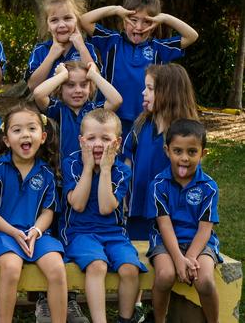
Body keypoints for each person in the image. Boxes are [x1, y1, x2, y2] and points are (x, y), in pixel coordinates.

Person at [0, 104, 67, 323]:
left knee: (57, 268)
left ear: (42, 137)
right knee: (11, 268)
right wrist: (13, 232)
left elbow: (48, 211)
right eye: (17, 130)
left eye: (31, 128)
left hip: (36, 235)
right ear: (6, 140)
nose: (25, 134)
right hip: (3, 234)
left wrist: (36, 231)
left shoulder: (46, 172)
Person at [61, 109, 147, 323]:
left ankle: (126, 319)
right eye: (91, 138)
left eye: (105, 139)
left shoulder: (121, 171)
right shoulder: (72, 164)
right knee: (97, 265)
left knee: (130, 268)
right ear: (81, 141)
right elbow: (78, 204)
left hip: (114, 233)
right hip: (80, 233)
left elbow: (106, 208)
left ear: (117, 143)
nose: (98, 144)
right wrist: (88, 168)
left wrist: (106, 170)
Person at [80, 0, 198, 137]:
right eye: (133, 20)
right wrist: (116, 10)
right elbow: (84, 20)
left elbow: (192, 36)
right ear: (124, 20)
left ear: (154, 25)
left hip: (145, 119)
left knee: (137, 158)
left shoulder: (159, 48)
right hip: (109, 116)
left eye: (147, 21)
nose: (139, 27)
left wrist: (165, 18)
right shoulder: (112, 41)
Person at [145, 119, 220, 323]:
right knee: (165, 276)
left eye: (192, 152)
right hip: (165, 242)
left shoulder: (209, 187)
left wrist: (192, 258)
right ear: (167, 150)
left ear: (203, 153)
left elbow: (205, 229)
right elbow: (164, 225)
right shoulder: (158, 185)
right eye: (178, 151)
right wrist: (179, 259)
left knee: (204, 281)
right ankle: (159, 320)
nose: (184, 158)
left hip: (200, 243)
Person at [122, 63, 199, 241]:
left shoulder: (186, 134)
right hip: (137, 213)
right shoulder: (140, 125)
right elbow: (127, 162)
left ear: (168, 94)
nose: (143, 92)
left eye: (149, 88)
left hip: (173, 218)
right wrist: (123, 196)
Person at [33, 61, 122, 161]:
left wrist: (94, 75)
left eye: (84, 85)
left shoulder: (94, 110)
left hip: (91, 172)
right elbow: (38, 94)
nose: (78, 90)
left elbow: (116, 101)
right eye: (70, 85)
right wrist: (62, 75)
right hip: (60, 173)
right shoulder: (56, 109)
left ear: (90, 88)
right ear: (60, 88)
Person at [25, 0, 100, 92]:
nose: (61, 25)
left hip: (83, 108)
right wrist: (51, 56)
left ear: (77, 22)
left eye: (67, 18)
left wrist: (81, 48)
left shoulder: (87, 48)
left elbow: (97, 81)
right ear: (48, 26)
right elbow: (32, 85)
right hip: (49, 107)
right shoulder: (40, 50)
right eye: (54, 20)